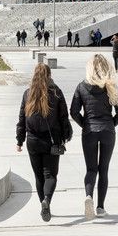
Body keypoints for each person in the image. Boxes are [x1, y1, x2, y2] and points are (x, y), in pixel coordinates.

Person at [70, 54, 118, 219]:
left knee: (91, 169)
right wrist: (110, 124)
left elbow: (73, 112)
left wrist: (85, 124)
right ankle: (100, 207)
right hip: (108, 131)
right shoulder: (111, 86)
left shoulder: (81, 86)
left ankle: (88, 196)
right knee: (104, 169)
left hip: (89, 132)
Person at [16, 63, 72, 222]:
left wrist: (19, 140)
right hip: (51, 141)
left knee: (39, 176)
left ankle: (43, 203)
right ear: (49, 75)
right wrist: (66, 136)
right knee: (51, 175)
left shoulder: (28, 94)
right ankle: (46, 200)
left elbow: (21, 119)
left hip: (32, 141)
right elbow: (63, 117)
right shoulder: (56, 92)